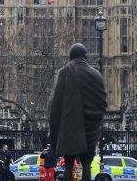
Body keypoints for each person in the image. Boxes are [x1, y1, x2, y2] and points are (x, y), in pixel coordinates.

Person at [48, 43, 107, 181]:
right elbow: (102, 104)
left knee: (69, 165)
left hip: (71, 126)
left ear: (70, 56)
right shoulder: (97, 75)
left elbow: (55, 106)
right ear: (85, 56)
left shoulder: (65, 72)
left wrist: (53, 134)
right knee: (87, 164)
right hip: (92, 127)